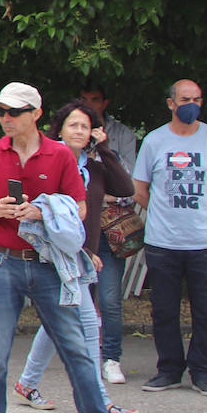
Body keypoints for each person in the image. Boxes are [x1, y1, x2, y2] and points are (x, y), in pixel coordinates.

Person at [0, 82, 131, 413]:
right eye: (2, 111)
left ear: (36, 114)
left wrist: (42, 211)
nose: (6, 118)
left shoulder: (59, 155)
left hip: (48, 262)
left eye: (14, 112)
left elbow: (81, 208)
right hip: (0, 260)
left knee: (76, 347)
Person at [13, 100, 139, 413]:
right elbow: (44, 211)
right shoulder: (50, 163)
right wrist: (81, 251)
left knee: (57, 322)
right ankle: (103, 404)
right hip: (57, 256)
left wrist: (106, 148)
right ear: (60, 129)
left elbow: (126, 189)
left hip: (83, 257)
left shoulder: (95, 166)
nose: (80, 131)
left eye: (86, 126)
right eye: (74, 125)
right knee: (89, 325)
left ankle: (27, 383)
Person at [134, 78, 207, 398]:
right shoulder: (154, 141)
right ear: (171, 103)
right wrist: (165, 212)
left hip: (206, 243)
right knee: (164, 309)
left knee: (206, 311)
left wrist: (202, 213)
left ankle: (203, 372)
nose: (191, 105)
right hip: (163, 242)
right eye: (185, 99)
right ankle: (170, 370)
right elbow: (140, 189)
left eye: (197, 99)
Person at [79, 84, 139, 384]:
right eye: (84, 101)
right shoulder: (71, 134)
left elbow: (127, 189)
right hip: (78, 231)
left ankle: (111, 357)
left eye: (95, 101)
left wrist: (96, 194)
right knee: (77, 298)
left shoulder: (122, 135)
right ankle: (83, 357)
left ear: (105, 103)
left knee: (110, 298)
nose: (90, 106)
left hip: (110, 231)